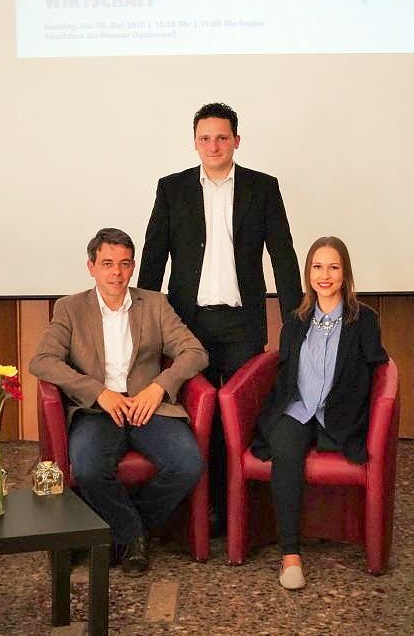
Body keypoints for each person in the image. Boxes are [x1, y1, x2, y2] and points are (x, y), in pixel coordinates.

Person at [137, 102, 302, 531]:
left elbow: (283, 256)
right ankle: (203, 509)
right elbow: (153, 257)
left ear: (236, 141)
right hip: (186, 325)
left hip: (241, 323)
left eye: (222, 138)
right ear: (194, 143)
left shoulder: (262, 187)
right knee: (198, 417)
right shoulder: (172, 189)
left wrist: (294, 323)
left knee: (240, 416)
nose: (213, 146)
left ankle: (237, 509)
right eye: (205, 138)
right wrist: (142, 320)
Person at [31, 228, 208, 576]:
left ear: (133, 267)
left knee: (188, 464)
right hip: (97, 409)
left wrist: (159, 387)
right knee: (88, 468)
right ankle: (133, 534)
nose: (117, 272)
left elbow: (195, 352)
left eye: (125, 264)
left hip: (148, 406)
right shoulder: (70, 308)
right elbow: (42, 361)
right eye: (108, 263)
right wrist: (98, 391)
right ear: (91, 267)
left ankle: (118, 531)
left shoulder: (154, 304)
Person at [251, 236, 387, 590]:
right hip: (298, 409)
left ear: (345, 273)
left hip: (339, 414)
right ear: (308, 273)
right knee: (285, 450)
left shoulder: (364, 319)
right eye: (317, 267)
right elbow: (285, 375)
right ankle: (290, 556)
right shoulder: (296, 321)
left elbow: (378, 371)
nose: (324, 275)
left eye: (333, 267)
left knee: (340, 447)